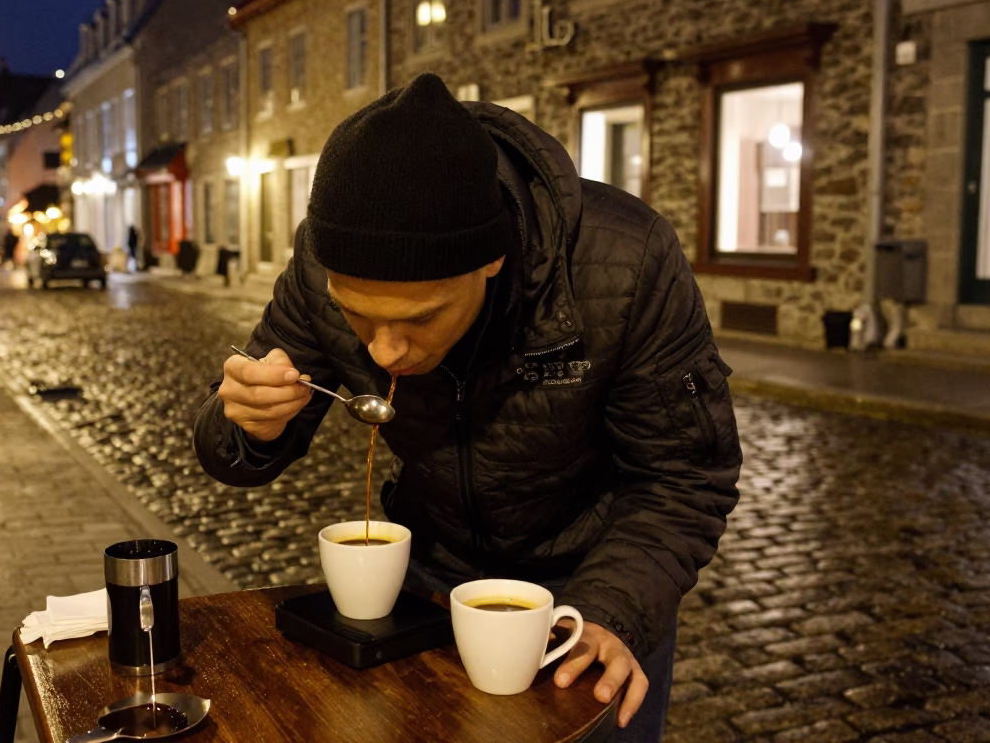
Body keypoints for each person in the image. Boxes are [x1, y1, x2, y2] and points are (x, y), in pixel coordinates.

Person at [192, 73, 742, 741]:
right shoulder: (321, 266)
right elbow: (233, 450)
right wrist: (248, 422)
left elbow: (684, 476)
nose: (387, 352)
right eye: (356, 315)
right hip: (429, 580)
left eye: (420, 318)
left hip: (593, 584)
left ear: (492, 259)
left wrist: (610, 611)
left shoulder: (627, 259)